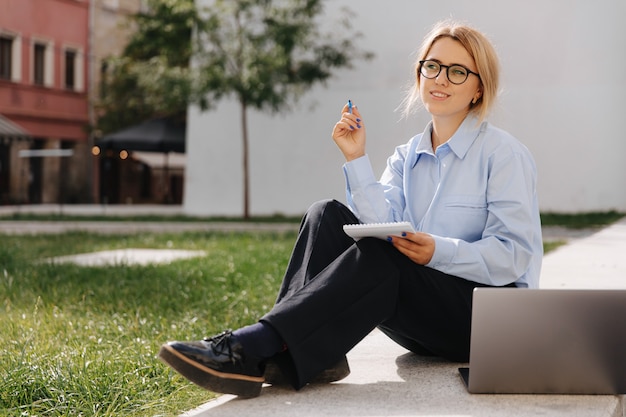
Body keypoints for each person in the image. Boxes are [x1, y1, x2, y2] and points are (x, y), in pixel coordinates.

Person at [158, 19, 543, 399]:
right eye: (432, 66)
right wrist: (356, 156)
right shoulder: (407, 156)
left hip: (481, 325)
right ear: (420, 73)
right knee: (324, 213)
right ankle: (306, 353)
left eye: (458, 71)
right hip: (422, 319)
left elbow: (514, 255)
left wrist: (438, 251)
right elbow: (382, 224)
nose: (441, 78)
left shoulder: (503, 154)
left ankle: (254, 345)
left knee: (383, 255)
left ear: (478, 88)